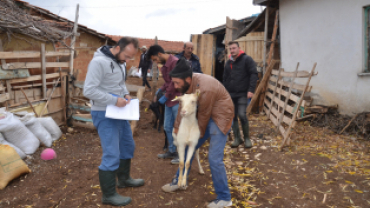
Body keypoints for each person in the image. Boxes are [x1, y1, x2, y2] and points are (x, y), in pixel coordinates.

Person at [161, 58, 235, 208]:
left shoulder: (205, 88)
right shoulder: (187, 85)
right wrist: (177, 129)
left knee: (214, 158)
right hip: (207, 114)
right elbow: (183, 110)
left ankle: (225, 198)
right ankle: (180, 181)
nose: (175, 86)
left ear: (187, 79)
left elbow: (203, 118)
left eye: (176, 83)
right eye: (173, 83)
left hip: (220, 116)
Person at [83, 37, 144, 206]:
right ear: (117, 48)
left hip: (119, 111)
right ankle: (108, 195)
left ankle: (123, 179)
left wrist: (125, 94)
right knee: (111, 153)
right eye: (127, 56)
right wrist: (113, 100)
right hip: (104, 113)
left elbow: (119, 84)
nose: (128, 60)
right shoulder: (98, 63)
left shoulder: (120, 62)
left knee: (127, 146)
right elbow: (88, 90)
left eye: (131, 57)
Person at [146, 45, 182, 164]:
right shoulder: (165, 66)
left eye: (155, 60)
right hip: (169, 101)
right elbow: (167, 83)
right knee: (167, 127)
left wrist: (165, 95)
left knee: (178, 128)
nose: (156, 62)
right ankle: (171, 150)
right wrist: (160, 90)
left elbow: (174, 82)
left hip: (177, 99)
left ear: (160, 54)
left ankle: (180, 154)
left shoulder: (175, 62)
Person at [223, 41, 258, 148]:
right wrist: (225, 92)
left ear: (239, 48)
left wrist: (251, 90)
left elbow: (254, 74)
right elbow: (225, 78)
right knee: (233, 116)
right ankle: (238, 138)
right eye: (230, 49)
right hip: (231, 94)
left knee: (242, 114)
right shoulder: (228, 63)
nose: (232, 50)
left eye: (234, 48)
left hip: (243, 93)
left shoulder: (247, 59)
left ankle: (247, 138)